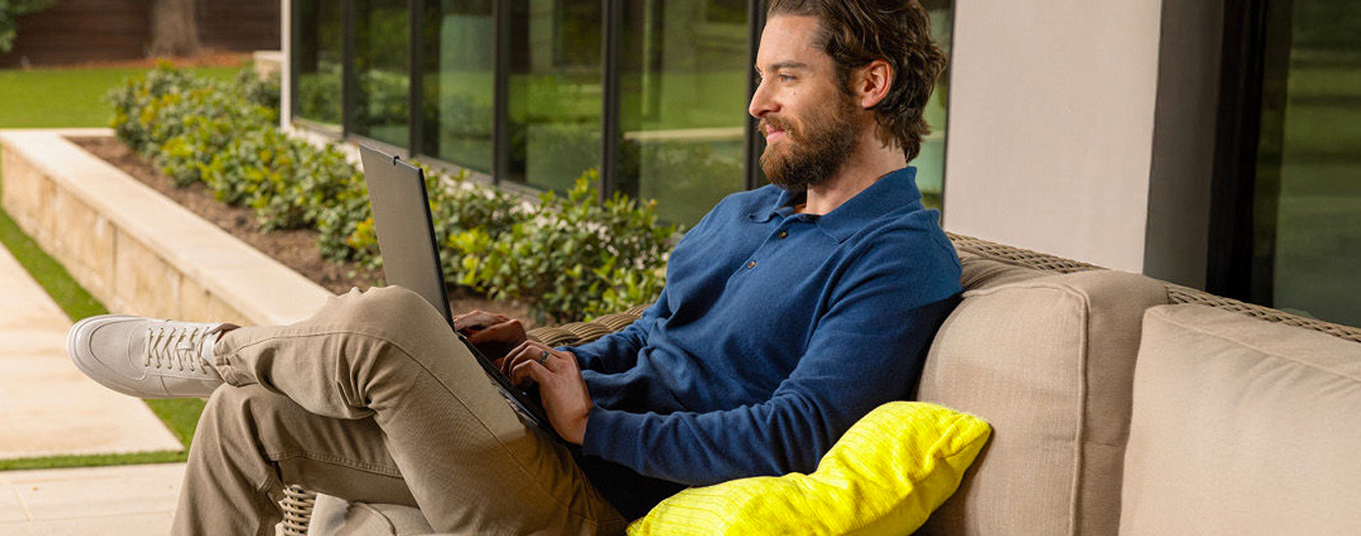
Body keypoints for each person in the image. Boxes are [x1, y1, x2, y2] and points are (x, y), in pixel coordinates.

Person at [65, 1, 958, 533]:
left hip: (594, 500)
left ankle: (210, 346)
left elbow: (794, 438)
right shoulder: (749, 213)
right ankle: (231, 367)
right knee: (246, 415)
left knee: (385, 323)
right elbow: (654, 336)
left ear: (870, 86)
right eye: (760, 75)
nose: (756, 102)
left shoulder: (898, 259)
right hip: (535, 444)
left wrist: (591, 430)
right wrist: (532, 362)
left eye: (785, 79)